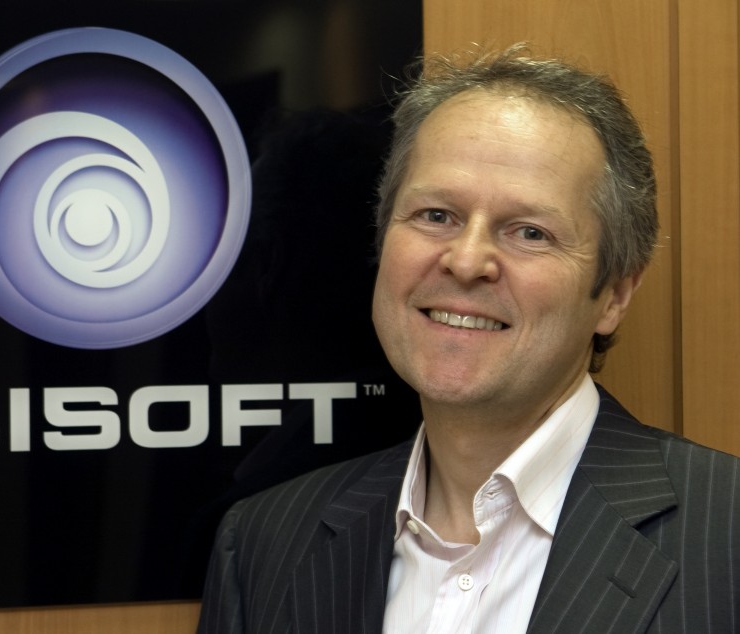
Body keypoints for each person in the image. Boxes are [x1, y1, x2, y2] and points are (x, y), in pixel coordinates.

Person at [196, 46, 740, 634]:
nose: (466, 260)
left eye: (529, 232)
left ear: (613, 294)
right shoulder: (263, 544)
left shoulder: (726, 536)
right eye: (436, 215)